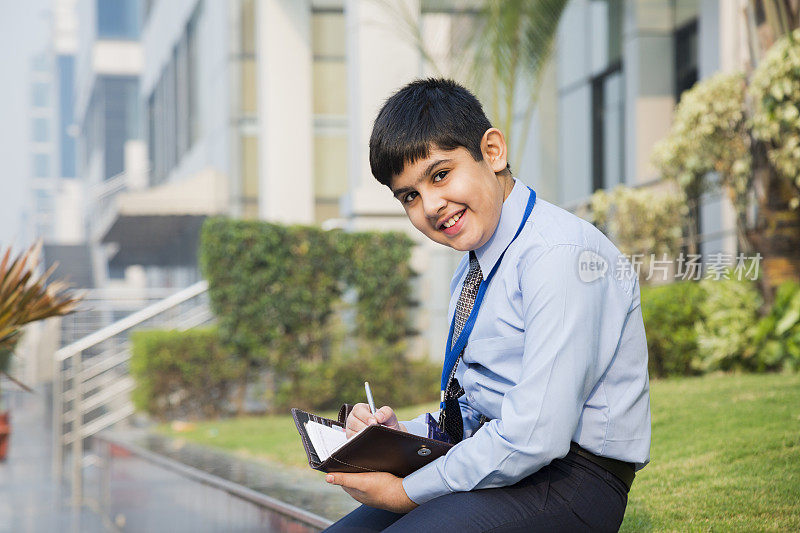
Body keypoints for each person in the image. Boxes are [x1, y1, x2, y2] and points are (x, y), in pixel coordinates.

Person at [323, 78, 651, 532]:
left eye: (440, 175)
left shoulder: (559, 256)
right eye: (410, 196)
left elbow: (536, 436)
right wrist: (401, 439)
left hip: (571, 482)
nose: (432, 205)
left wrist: (405, 492)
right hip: (499, 464)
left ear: (492, 151)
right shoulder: (477, 261)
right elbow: (474, 406)